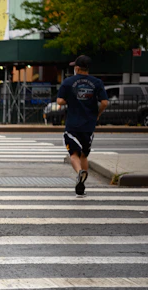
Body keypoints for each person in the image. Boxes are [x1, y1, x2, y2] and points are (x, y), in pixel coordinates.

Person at [56, 55, 109, 197]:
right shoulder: (97, 83)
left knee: (73, 154)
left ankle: (79, 173)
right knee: (84, 155)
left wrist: (70, 100)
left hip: (73, 124)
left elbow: (59, 101)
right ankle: (82, 184)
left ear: (77, 68)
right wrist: (97, 114)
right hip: (89, 125)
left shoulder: (68, 82)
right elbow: (104, 102)